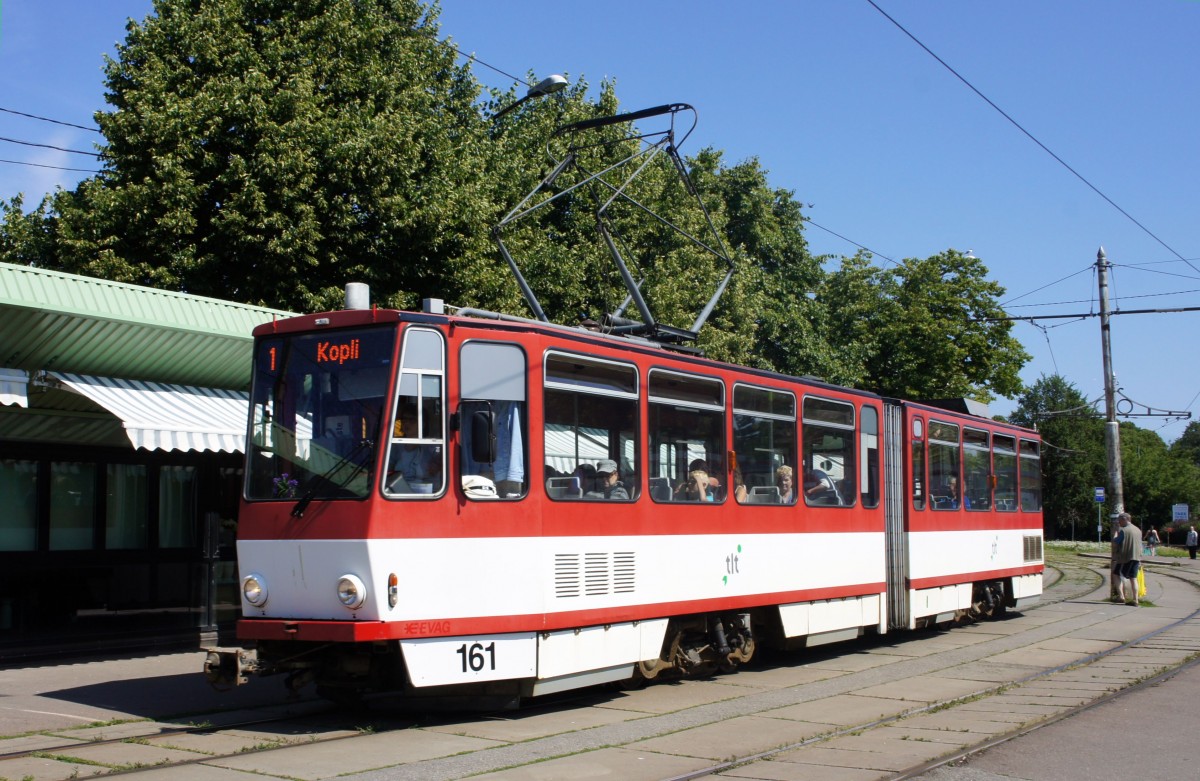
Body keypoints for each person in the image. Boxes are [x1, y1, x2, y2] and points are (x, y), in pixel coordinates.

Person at [1112, 512, 1143, 606]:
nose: (1118, 522)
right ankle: (1135, 600)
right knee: (1133, 578)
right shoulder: (1138, 530)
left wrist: (1115, 535)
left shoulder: (1124, 531)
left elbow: (1116, 542)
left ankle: (1121, 596)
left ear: (1125, 519)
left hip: (1125, 557)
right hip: (1137, 557)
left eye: (1119, 520)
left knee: (1116, 574)